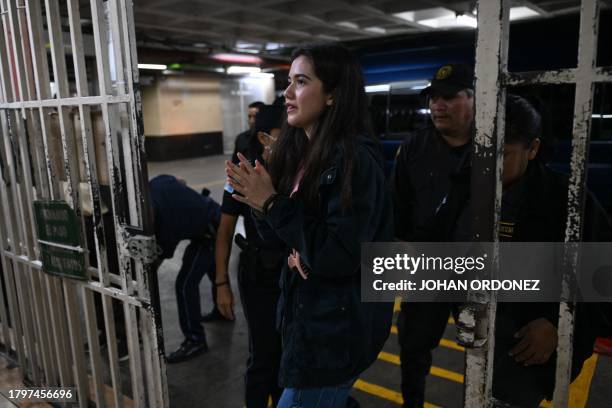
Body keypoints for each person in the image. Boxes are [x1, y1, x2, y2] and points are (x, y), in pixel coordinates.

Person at [225, 43, 394, 408]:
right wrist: (259, 200)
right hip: (307, 322)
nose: (286, 94)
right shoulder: (303, 153)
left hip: (335, 333)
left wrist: (272, 203)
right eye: (288, 81)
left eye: (301, 82)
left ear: (333, 94)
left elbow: (338, 254)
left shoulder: (354, 160)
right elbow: (282, 239)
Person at [416, 94, 612, 406]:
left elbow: (602, 279)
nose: (487, 166)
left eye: (501, 155)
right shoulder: (464, 187)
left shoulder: (565, 201)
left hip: (527, 348)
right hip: (476, 330)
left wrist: (559, 323)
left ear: (533, 149)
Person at [391, 63, 474, 408]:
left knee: (481, 345)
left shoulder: (495, 144)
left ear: (472, 98)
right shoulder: (414, 148)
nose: (438, 105)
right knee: (414, 346)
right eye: (434, 98)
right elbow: (397, 207)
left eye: (449, 97)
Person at [215, 105, 285, 407]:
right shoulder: (242, 173)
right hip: (259, 275)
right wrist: (221, 283)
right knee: (264, 356)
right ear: (264, 138)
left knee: (287, 358)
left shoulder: (298, 166)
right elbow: (225, 228)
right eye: (284, 137)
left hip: (292, 275)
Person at [149, 175, 221, 363]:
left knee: (185, 284)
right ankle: (222, 310)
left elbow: (158, 259)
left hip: (211, 230)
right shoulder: (156, 183)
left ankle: (195, 340)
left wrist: (144, 281)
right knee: (213, 269)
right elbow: (180, 180)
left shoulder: (165, 226)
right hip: (210, 212)